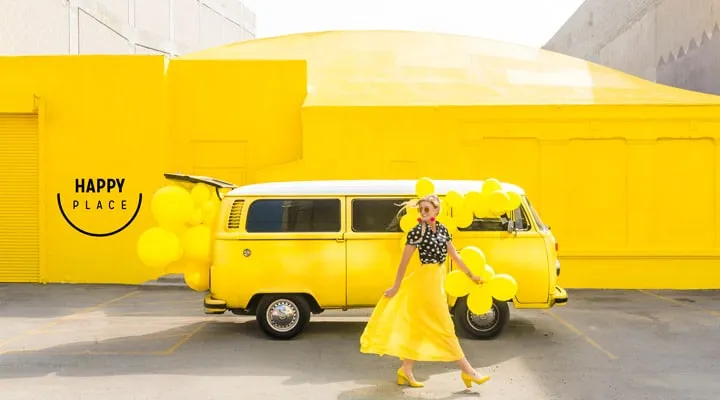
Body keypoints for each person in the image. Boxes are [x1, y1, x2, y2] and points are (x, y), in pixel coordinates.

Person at [360, 193, 492, 389]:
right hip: (424, 282)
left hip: (436, 281)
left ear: (436, 211)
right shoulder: (416, 232)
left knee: (418, 327)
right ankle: (469, 371)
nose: (422, 212)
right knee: (445, 326)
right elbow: (403, 262)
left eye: (427, 209)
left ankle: (405, 369)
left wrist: (471, 275)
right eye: (420, 209)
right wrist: (396, 285)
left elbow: (455, 255)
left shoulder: (443, 230)